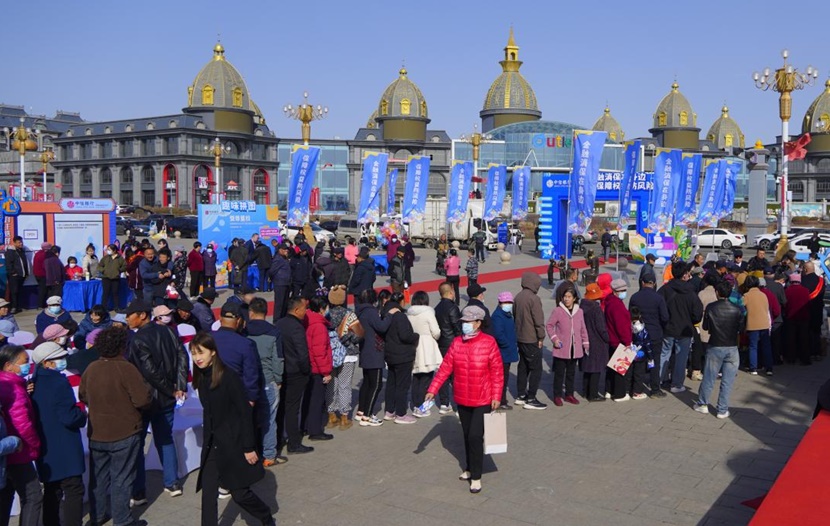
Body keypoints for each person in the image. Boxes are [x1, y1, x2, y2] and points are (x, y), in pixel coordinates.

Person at [189, 332, 277, 526]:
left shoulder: (229, 377)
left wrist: (248, 447)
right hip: (213, 445)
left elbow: (245, 413)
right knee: (208, 492)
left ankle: (265, 516)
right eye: (194, 353)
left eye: (201, 352)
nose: (197, 358)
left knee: (240, 494)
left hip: (233, 444)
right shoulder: (201, 378)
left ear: (213, 352)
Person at [425, 305, 502, 494]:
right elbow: (445, 368)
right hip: (462, 397)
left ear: (478, 323)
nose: (465, 325)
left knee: (475, 436)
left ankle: (476, 476)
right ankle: (469, 467)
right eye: (463, 321)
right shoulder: (457, 343)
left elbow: (497, 372)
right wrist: (432, 389)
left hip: (483, 398)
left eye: (468, 321)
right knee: (467, 435)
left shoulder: (489, 342)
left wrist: (496, 396)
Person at [80, 327, 151, 526]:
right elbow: (142, 400)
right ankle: (122, 520)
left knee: (99, 478)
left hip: (97, 432)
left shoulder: (91, 368)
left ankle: (98, 515)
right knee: (122, 478)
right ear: (122, 346)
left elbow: (83, 396)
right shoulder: (126, 368)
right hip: (124, 432)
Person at [125, 299, 189, 504]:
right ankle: (172, 483)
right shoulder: (168, 331)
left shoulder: (138, 340)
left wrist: (172, 389)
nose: (127, 319)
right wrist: (179, 386)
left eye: (130, 315)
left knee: (138, 443)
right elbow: (182, 357)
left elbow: (150, 371)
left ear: (142, 315)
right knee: (165, 438)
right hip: (166, 398)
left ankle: (139, 491)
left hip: (146, 399)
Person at [30, 342, 86, 526]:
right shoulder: (58, 382)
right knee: (73, 489)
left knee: (52, 489)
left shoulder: (33, 382)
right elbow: (69, 417)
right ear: (47, 363)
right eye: (59, 358)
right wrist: (81, 414)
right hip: (64, 444)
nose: (64, 360)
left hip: (46, 445)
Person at [0, 345, 43, 525]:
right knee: (33, 496)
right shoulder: (14, 389)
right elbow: (23, 424)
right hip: (18, 450)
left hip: (7, 454)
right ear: (9, 365)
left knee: (6, 495)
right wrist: (34, 445)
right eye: (25, 361)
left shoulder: (11, 384)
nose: (28, 365)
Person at [694, 281, 745, 419]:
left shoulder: (711, 307)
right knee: (727, 381)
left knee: (709, 377)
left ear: (717, 292)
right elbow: (741, 328)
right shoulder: (737, 309)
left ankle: (703, 404)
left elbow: (705, 327)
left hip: (715, 345)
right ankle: (722, 409)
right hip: (732, 347)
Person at [275, 298, 314, 453]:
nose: (306, 312)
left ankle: (278, 439)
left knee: (281, 407)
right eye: (304, 308)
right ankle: (294, 442)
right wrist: (306, 370)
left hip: (282, 370)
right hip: (295, 372)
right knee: (293, 408)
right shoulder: (297, 327)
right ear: (297, 310)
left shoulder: (279, 323)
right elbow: (302, 353)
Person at [658, 261, 703, 393]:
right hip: (685, 329)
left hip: (668, 328)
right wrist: (692, 321)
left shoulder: (665, 289)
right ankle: (677, 384)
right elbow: (697, 313)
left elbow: (658, 307)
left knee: (664, 354)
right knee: (681, 357)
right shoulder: (691, 292)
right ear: (685, 274)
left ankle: (659, 380)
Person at [325, 286, 363, 430]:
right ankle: (344, 417)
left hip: (331, 355)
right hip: (348, 354)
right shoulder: (350, 315)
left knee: (331, 385)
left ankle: (331, 416)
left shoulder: (326, 316)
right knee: (345, 385)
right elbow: (359, 335)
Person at [355, 289, 393, 426]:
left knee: (367, 383)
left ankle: (361, 411)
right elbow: (381, 327)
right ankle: (368, 415)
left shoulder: (360, 311)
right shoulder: (371, 312)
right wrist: (389, 316)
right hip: (374, 351)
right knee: (376, 384)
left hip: (365, 350)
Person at [628, 269, 669, 397]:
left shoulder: (635, 297)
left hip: (639, 334)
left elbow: (630, 315)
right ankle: (655, 389)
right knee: (654, 362)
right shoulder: (659, 298)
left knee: (639, 362)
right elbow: (665, 317)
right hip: (655, 335)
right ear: (654, 283)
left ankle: (637, 389)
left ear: (642, 282)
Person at [546, 284, 589, 406]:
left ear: (574, 298)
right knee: (559, 374)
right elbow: (549, 326)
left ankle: (569, 394)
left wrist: (585, 343)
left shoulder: (579, 312)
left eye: (569, 297)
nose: (566, 299)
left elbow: (583, 329)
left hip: (575, 348)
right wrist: (555, 339)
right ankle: (557, 395)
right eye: (565, 296)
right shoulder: (558, 311)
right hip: (561, 348)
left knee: (571, 373)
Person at [381, 292, 419, 424]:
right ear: (401, 301)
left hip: (390, 353)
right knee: (402, 385)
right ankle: (401, 413)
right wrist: (416, 336)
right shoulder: (400, 316)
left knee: (391, 383)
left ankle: (389, 411)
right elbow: (405, 336)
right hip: (403, 355)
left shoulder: (385, 314)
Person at [303, 297, 335, 439]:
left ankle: (306, 426)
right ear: (321, 309)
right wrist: (326, 372)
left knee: (309, 399)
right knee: (317, 401)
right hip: (317, 369)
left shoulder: (307, 320)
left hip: (309, 366)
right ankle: (315, 431)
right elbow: (320, 352)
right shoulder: (319, 326)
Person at [514, 272, 547, 410]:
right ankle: (531, 398)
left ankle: (521, 395)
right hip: (531, 338)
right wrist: (541, 337)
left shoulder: (518, 297)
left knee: (523, 366)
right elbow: (538, 321)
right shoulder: (534, 299)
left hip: (520, 337)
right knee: (536, 369)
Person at [407, 291, 442, 417]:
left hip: (414, 345)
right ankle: (422, 407)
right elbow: (436, 332)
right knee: (426, 379)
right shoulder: (428, 313)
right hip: (427, 347)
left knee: (416, 378)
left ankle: (416, 405)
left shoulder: (409, 314)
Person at [579, 283, 610, 401]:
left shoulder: (582, 307)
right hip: (597, 341)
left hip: (585, 340)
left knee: (587, 368)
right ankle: (593, 394)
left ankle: (585, 391)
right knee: (596, 369)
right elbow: (601, 328)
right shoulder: (596, 309)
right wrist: (607, 338)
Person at [434, 282, 462, 414]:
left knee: (443, 374)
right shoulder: (453, 308)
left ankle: (444, 403)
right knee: (456, 375)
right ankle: (458, 403)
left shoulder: (437, 307)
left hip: (441, 344)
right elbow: (457, 327)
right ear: (451, 292)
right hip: (452, 344)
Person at [605, 279, 632, 401]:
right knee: (620, 370)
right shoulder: (617, 306)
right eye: (622, 290)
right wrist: (627, 342)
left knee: (611, 368)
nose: (624, 292)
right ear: (615, 291)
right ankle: (619, 394)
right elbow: (622, 327)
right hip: (619, 342)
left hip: (612, 340)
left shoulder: (610, 302)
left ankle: (609, 390)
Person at [491, 291, 518, 409]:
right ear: (500, 303)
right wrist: (507, 345)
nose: (508, 304)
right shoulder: (497, 316)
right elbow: (498, 334)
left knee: (504, 376)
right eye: (505, 302)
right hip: (502, 352)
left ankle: (501, 399)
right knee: (501, 378)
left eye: (509, 302)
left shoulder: (507, 314)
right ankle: (501, 400)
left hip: (507, 351)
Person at [743, 275, 772, 376]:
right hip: (764, 323)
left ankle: (753, 368)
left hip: (753, 324)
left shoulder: (746, 295)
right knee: (766, 346)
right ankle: (769, 368)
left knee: (753, 346)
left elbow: (741, 308)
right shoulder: (763, 295)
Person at [784, 273, 811, 365]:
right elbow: (808, 304)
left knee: (791, 339)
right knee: (804, 339)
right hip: (803, 317)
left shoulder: (787, 291)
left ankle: (791, 358)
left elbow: (785, 304)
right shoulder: (805, 290)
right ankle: (805, 359)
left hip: (791, 317)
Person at [802, 261, 826, 364]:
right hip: (818, 309)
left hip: (806, 309)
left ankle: (810, 353)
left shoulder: (803, 280)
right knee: (816, 332)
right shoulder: (821, 281)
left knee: (807, 333)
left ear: (805, 269)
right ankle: (817, 353)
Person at [625, 308, 651, 400]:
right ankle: (637, 392)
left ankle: (627, 391)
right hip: (640, 353)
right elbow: (647, 343)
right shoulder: (642, 329)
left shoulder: (627, 326)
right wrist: (650, 356)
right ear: (639, 316)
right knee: (639, 374)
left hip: (629, 351)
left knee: (628, 373)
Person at [268, 242, 292, 323]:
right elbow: (271, 271)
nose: (286, 251)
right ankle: (276, 320)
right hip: (280, 284)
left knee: (285, 303)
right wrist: (273, 278)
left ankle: (283, 318)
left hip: (286, 283)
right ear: (280, 250)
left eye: (287, 249)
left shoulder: (285, 258)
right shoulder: (278, 259)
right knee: (279, 303)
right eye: (284, 249)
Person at [3, 236, 28, 313]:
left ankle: (18, 306)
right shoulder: (10, 252)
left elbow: (24, 262)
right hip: (14, 276)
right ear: (14, 243)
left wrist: (26, 273)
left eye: (21, 242)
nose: (21, 244)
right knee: (14, 291)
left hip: (21, 275)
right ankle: (13, 307)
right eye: (19, 242)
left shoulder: (21, 251)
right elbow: (8, 264)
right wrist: (13, 273)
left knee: (19, 291)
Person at [98, 244, 126, 311]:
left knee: (115, 293)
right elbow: (99, 266)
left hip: (115, 278)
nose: (108, 251)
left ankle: (116, 307)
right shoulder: (105, 258)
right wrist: (103, 270)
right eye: (107, 249)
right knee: (105, 293)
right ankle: (103, 308)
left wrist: (119, 271)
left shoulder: (120, 258)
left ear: (114, 250)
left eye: (109, 249)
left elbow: (124, 266)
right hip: (106, 278)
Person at [33, 242, 51, 309]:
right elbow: (46, 266)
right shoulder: (44, 255)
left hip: (37, 274)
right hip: (43, 274)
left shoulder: (38, 253)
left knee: (42, 289)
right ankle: (40, 305)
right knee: (43, 290)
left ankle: (41, 304)